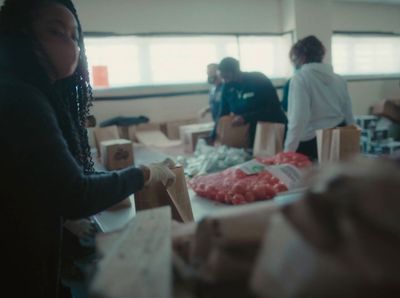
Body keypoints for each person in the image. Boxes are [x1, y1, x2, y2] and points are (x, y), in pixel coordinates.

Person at [0, 0, 175, 297]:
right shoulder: (21, 98)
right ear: (20, 34)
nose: (70, 44)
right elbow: (76, 194)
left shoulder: (25, 91)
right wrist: (145, 173)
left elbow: (46, 182)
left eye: (74, 35)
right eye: (56, 32)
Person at [284, 35, 354, 160]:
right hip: (338, 134)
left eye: (294, 60)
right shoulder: (339, 79)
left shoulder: (300, 78)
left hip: (312, 141)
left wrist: (288, 152)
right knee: (334, 176)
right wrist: (353, 139)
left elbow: (299, 118)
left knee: (311, 178)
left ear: (302, 58)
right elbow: (348, 112)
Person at [218, 57, 287, 148]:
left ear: (236, 71)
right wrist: (215, 135)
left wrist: (246, 117)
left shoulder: (258, 79)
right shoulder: (227, 87)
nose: (225, 81)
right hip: (249, 132)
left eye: (226, 77)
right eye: (223, 78)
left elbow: (273, 108)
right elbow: (223, 113)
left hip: (271, 128)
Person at [199, 63, 224, 142]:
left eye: (210, 73)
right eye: (208, 73)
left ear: (218, 73)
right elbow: (214, 104)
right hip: (216, 122)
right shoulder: (213, 89)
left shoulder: (225, 88)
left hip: (224, 123)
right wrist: (206, 110)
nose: (209, 76)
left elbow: (224, 105)